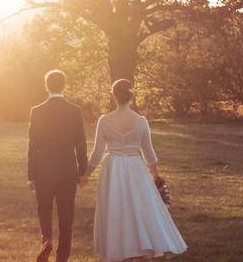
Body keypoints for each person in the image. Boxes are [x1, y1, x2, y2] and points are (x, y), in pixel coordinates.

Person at [80, 79, 187, 262]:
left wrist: (86, 174)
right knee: (138, 207)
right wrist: (156, 175)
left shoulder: (104, 121)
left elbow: (97, 152)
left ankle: (120, 249)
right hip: (135, 166)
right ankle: (140, 249)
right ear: (132, 95)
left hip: (112, 167)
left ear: (113, 95)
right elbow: (148, 152)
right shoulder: (141, 121)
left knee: (116, 208)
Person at [27, 70, 88, 262]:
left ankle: (47, 240)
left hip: (44, 171)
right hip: (67, 171)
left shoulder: (37, 111)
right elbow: (81, 143)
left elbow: (32, 145)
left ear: (47, 86)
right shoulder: (74, 111)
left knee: (43, 210)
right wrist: (82, 172)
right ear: (64, 85)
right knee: (66, 215)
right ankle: (62, 257)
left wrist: (31, 174)